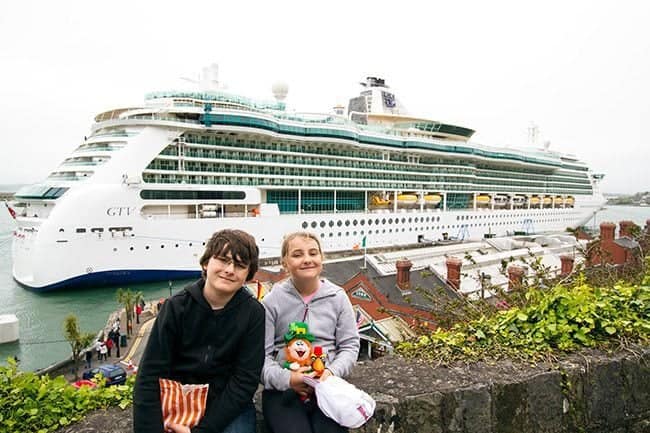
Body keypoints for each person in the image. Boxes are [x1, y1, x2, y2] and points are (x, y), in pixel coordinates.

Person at [133, 229, 265, 433]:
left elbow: (245, 381)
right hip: (177, 400)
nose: (230, 270)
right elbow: (150, 374)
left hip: (225, 405)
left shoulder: (253, 313)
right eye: (223, 260)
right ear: (206, 263)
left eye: (240, 265)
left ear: (248, 274)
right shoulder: (177, 307)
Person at [261, 232, 360, 433]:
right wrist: (287, 379)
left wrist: (332, 373)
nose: (307, 259)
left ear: (321, 259)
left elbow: (349, 346)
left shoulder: (337, 297)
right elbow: (260, 356)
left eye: (313, 253)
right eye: (297, 255)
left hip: (328, 386)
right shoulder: (272, 301)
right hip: (284, 390)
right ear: (285, 263)